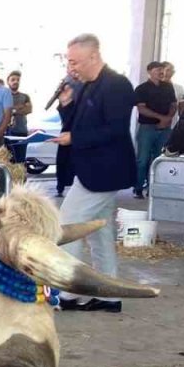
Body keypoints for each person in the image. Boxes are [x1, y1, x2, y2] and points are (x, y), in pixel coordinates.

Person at [50, 33, 136, 313]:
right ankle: (108, 297)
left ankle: (70, 293)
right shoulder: (87, 85)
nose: (71, 67)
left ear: (94, 56)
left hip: (103, 173)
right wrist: (66, 104)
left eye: (75, 61)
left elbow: (115, 129)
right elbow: (78, 123)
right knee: (101, 233)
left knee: (67, 228)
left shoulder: (117, 85)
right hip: (91, 171)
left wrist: (74, 138)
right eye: (69, 61)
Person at [132, 61, 176, 198]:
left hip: (165, 129)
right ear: (150, 71)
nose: (161, 72)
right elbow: (142, 108)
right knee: (143, 159)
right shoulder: (141, 88)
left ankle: (153, 188)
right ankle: (138, 187)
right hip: (147, 127)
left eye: (162, 70)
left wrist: (168, 118)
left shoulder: (168, 87)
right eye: (158, 69)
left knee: (159, 159)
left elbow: (173, 104)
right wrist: (161, 118)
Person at [5, 70, 33, 162]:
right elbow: (3, 111)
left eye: (17, 80)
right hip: (7, 133)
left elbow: (29, 110)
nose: (15, 82)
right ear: (8, 82)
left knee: (21, 161)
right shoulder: (4, 96)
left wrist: (12, 110)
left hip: (22, 132)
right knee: (9, 161)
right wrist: (20, 107)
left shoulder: (25, 96)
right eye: (13, 79)